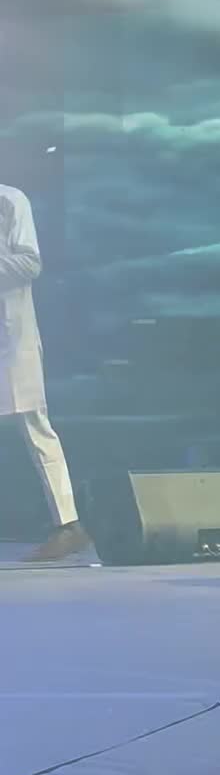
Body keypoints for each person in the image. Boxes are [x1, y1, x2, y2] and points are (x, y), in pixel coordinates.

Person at [0, 183, 89, 560]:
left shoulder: (9, 200)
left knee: (35, 426)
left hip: (9, 337)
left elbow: (29, 263)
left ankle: (69, 525)